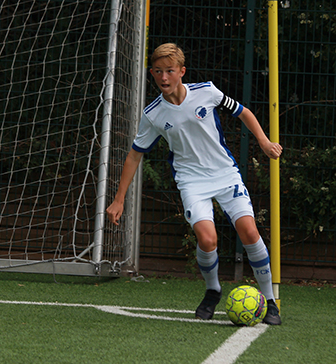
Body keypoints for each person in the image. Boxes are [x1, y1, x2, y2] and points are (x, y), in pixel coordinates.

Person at [106, 43, 282, 325]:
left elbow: (244, 112)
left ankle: (269, 301)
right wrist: (119, 198)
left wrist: (264, 141)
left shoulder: (207, 92)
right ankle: (213, 290)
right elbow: (134, 155)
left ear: (181, 72)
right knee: (208, 239)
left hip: (225, 174)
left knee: (249, 231)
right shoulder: (153, 114)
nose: (164, 78)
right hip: (192, 182)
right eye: (158, 72)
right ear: (152, 73)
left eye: (170, 71)